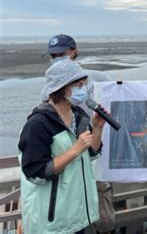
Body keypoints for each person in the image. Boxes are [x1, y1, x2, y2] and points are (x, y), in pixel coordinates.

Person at [18, 60, 105, 233]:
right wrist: (75, 150)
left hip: (80, 215)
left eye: (84, 84)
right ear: (62, 87)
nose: (84, 89)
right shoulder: (37, 125)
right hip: (53, 221)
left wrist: (97, 128)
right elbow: (36, 173)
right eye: (78, 85)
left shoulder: (79, 116)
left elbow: (92, 154)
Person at [41, 34, 115, 234]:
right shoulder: (46, 94)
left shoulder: (99, 78)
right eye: (53, 55)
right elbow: (37, 169)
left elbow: (115, 103)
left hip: (96, 159)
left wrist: (97, 130)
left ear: (74, 52)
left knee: (103, 217)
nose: (57, 57)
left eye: (61, 53)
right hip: (69, 170)